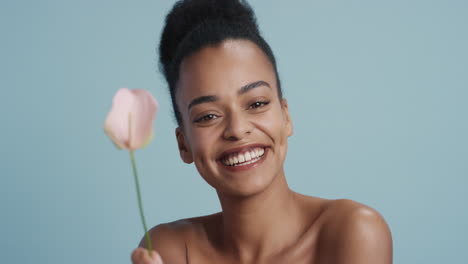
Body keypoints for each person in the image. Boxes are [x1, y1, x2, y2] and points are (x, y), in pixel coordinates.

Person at [131, 0, 393, 263]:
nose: (237, 129)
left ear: (286, 116)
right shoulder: (169, 249)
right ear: (183, 144)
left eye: (256, 104)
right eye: (208, 116)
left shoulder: (353, 232)